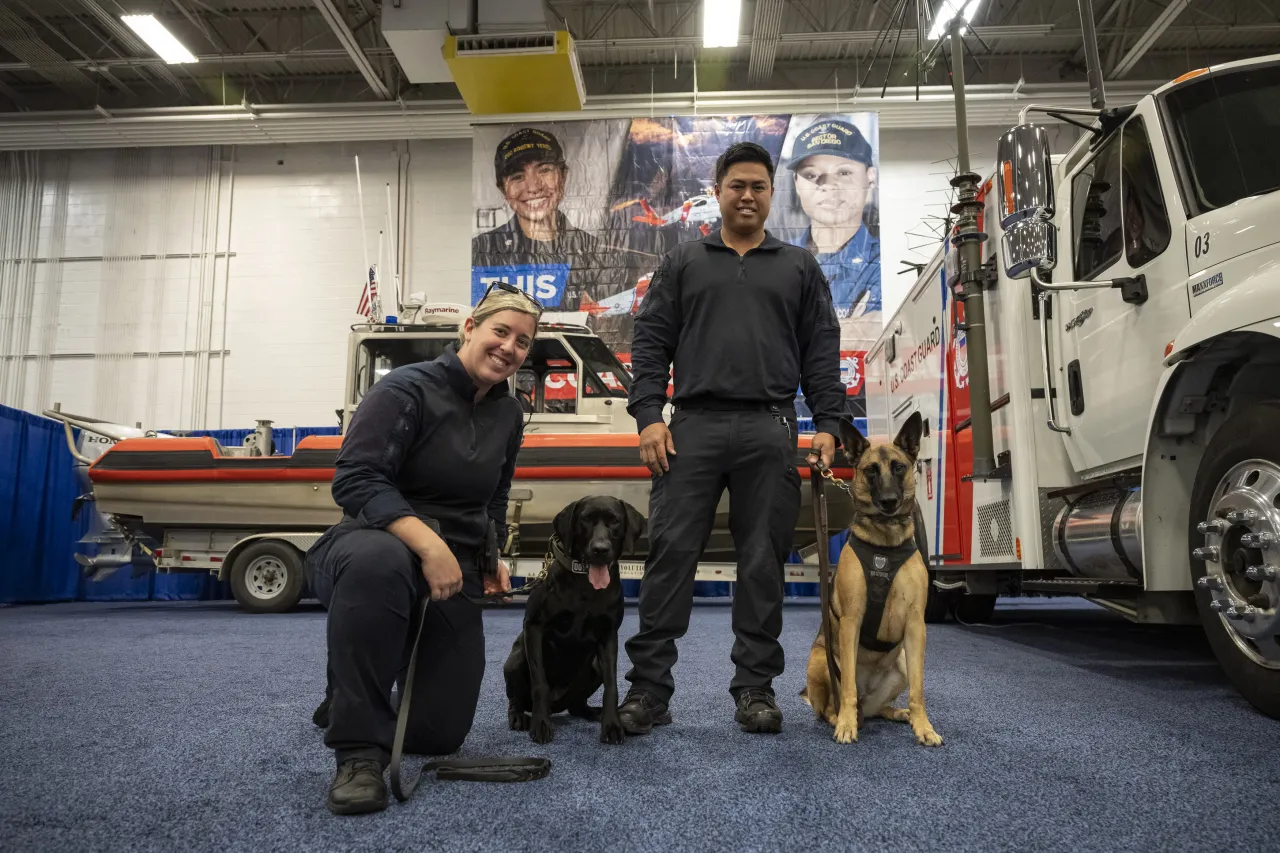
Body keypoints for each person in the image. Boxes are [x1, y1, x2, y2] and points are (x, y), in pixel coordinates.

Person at [619, 141, 847, 736]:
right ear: (717, 192)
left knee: (762, 564)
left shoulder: (799, 267)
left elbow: (821, 350)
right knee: (669, 559)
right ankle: (648, 691)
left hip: (770, 428)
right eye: (736, 185)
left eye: (758, 187)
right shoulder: (684, 261)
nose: (747, 196)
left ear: (771, 196)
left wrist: (827, 424)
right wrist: (648, 416)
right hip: (689, 428)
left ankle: (755, 689)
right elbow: (649, 342)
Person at [304, 283, 540, 815]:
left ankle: (351, 696)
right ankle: (359, 753)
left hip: (451, 569)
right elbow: (357, 479)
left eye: (523, 341)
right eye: (500, 331)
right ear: (469, 329)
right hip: (367, 547)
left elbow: (495, 496)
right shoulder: (406, 390)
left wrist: (490, 555)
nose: (509, 347)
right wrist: (428, 543)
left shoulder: (508, 414)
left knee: (439, 733)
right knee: (380, 561)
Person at [471, 127, 636, 324]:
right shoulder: (480, 251)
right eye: (517, 177)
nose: (533, 187)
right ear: (503, 190)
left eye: (544, 170)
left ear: (563, 176)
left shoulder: (597, 253)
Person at [785, 118, 882, 348]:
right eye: (811, 175)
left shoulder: (883, 262)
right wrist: (849, 327)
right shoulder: (773, 263)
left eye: (844, 172)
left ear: (870, 177)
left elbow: (878, 333)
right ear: (796, 183)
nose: (828, 185)